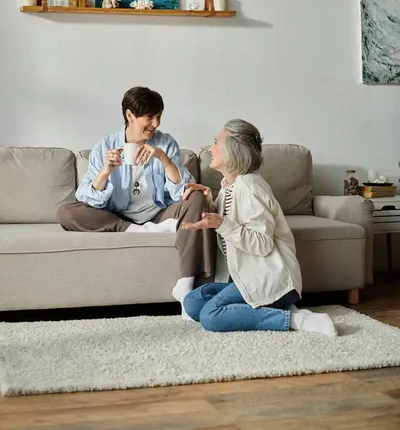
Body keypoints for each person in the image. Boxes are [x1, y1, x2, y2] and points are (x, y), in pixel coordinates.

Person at [57, 87, 216, 317]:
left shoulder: (166, 143)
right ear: (130, 116)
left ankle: (186, 285)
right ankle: (137, 229)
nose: (156, 124)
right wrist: (105, 171)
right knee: (65, 212)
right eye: (150, 117)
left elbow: (183, 190)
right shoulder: (105, 146)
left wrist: (163, 159)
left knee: (198, 198)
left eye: (159, 116)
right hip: (119, 216)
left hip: (160, 213)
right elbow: (86, 196)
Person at [182, 119, 337, 336]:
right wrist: (210, 199)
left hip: (271, 278)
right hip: (248, 277)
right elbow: (233, 221)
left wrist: (221, 223)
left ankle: (295, 318)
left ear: (232, 151)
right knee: (193, 301)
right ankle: (273, 306)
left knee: (210, 315)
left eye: (216, 143)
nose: (210, 149)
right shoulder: (230, 187)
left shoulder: (250, 186)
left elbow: (262, 244)